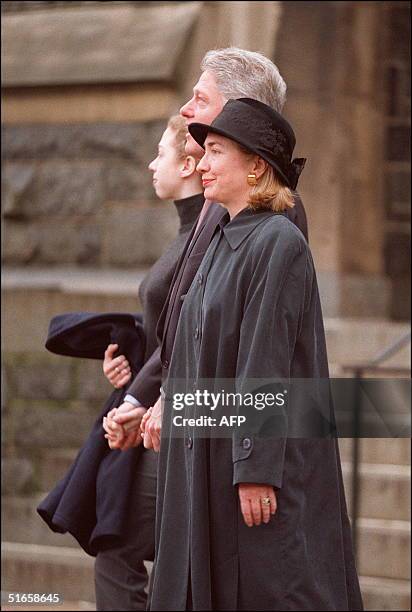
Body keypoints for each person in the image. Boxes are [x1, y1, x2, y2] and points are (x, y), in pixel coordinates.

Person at [141, 98, 364, 611]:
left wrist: (255, 469)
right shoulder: (221, 236)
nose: (203, 163)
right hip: (204, 456)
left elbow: (264, 363)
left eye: (215, 151)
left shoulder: (278, 242)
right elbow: (196, 348)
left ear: (257, 165)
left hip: (254, 469)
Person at [37, 115, 203, 611]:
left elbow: (191, 333)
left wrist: (145, 396)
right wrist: (130, 358)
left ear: (189, 164)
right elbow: (168, 330)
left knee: (118, 541)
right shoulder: (187, 230)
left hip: (183, 420)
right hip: (159, 412)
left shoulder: (205, 234)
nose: (152, 165)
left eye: (161, 154)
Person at [104, 47, 308, 449]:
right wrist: (148, 393)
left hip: (226, 446)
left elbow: (260, 359)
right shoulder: (221, 205)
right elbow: (188, 322)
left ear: (239, 112)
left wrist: (173, 404)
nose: (185, 110)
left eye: (200, 99)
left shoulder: (274, 222)